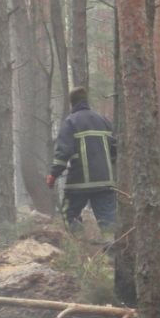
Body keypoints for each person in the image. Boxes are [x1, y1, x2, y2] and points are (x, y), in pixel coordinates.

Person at [46, 87, 117, 239]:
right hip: (104, 182)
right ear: (86, 100)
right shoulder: (103, 120)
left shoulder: (71, 122)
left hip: (79, 183)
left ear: (72, 103)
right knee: (108, 220)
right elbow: (115, 150)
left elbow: (63, 153)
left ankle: (79, 246)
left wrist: (53, 174)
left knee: (69, 213)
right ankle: (113, 254)